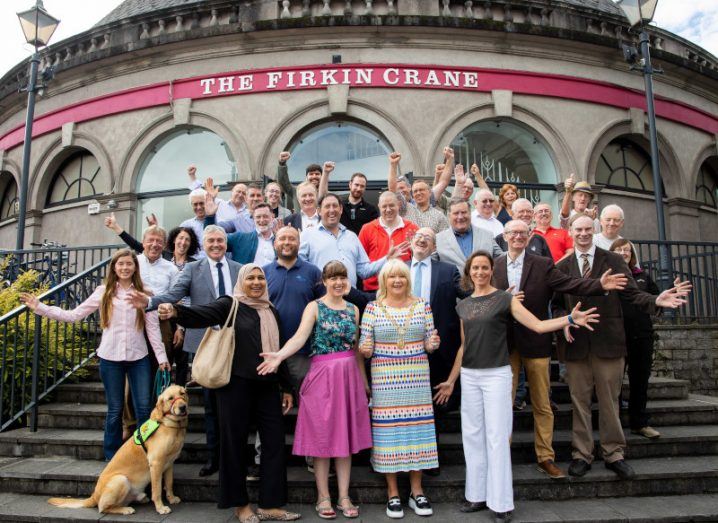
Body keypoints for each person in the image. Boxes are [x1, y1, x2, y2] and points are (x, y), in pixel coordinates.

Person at [433, 250, 600, 522]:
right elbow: (464, 346)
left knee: (497, 438)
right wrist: (452, 380)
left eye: (484, 267)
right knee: (472, 438)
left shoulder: (504, 298)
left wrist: (569, 319)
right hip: (471, 376)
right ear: (468, 272)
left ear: (491, 271)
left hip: (497, 374)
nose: (480, 272)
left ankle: (501, 502)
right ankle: (476, 495)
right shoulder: (462, 306)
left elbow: (537, 325)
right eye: (475, 268)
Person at [553, 214, 691, 480]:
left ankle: (614, 453)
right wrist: (564, 321)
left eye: (587, 229)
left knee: (609, 401)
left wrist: (656, 300)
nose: (582, 233)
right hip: (576, 345)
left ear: (593, 231)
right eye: (577, 229)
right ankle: (582, 454)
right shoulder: (562, 265)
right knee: (579, 402)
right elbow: (557, 302)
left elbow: (632, 294)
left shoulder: (614, 260)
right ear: (570, 232)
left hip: (609, 343)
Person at [159, 264, 298, 523]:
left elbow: (278, 352)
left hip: (267, 386)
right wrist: (175, 311)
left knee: (274, 443)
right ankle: (240, 504)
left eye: (260, 278)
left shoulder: (271, 310)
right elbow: (201, 314)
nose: (256, 282)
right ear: (241, 281)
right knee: (234, 445)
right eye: (251, 278)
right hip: (235, 386)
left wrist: (287, 387)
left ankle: (271, 504)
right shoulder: (229, 305)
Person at [492, 220, 628, 479]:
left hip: (536, 340)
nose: (518, 236)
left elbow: (570, 284)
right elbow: (480, 297)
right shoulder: (494, 265)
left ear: (530, 235)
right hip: (504, 344)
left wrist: (599, 285)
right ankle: (500, 458)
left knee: (542, 404)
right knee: (503, 405)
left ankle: (545, 457)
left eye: (523, 232)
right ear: (504, 236)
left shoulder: (542, 264)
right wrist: (502, 300)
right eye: (512, 233)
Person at [21, 249, 170, 461]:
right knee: (115, 410)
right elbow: (74, 315)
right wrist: (41, 307)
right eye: (121, 264)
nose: (125, 268)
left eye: (129, 264)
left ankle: (143, 454)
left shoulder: (145, 292)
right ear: (114, 268)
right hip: (110, 358)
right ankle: (112, 458)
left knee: (144, 409)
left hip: (139, 359)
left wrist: (162, 359)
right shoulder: (104, 292)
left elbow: (153, 330)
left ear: (135, 267)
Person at [257, 261, 371, 520]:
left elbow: (356, 350)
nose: (338, 282)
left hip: (349, 378)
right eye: (333, 278)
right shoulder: (314, 307)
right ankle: (323, 496)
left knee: (346, 439)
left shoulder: (354, 309)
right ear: (324, 282)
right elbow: (299, 337)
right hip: (322, 377)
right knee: (323, 439)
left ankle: (343, 495)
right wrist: (278, 356)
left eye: (342, 277)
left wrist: (363, 382)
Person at [127, 225, 242, 477]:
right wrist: (150, 302)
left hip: (234, 345)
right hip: (205, 345)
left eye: (220, 241)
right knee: (211, 407)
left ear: (226, 244)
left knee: (235, 407)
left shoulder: (239, 269)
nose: (215, 244)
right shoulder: (192, 268)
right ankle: (214, 459)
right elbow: (174, 293)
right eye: (210, 240)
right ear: (205, 243)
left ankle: (236, 460)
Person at [358, 259, 441, 519]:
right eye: (392, 277)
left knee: (419, 431)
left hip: (416, 379)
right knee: (388, 435)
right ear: (384, 280)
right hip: (385, 380)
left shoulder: (422, 306)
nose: (397, 281)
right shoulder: (372, 307)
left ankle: (417, 491)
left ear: (408, 279)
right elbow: (364, 344)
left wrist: (433, 343)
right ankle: (392, 493)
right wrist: (365, 349)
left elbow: (429, 342)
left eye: (402, 277)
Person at [408, 227, 466, 476]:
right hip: (403, 351)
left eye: (428, 239)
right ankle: (406, 456)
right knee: (407, 406)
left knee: (434, 406)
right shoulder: (396, 269)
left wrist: (495, 298)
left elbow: (470, 294)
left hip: (438, 350)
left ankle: (431, 458)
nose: (422, 240)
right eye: (418, 237)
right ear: (411, 242)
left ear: (434, 248)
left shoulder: (448, 270)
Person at [299, 193, 408, 288]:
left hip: (350, 300)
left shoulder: (351, 237)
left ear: (341, 209)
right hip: (322, 298)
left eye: (335, 206)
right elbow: (300, 269)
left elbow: (364, 271)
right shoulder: (307, 236)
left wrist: (387, 258)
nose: (332, 210)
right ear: (319, 211)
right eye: (327, 206)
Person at [611, 238, 661, 439]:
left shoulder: (643, 277)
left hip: (641, 335)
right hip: (615, 337)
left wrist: (667, 297)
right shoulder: (606, 277)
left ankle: (639, 423)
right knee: (612, 383)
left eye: (627, 250)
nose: (623, 253)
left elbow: (656, 300)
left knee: (640, 380)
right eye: (619, 250)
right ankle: (612, 424)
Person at [358, 191, 418, 292]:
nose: (388, 210)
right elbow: (361, 265)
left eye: (391, 205)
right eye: (384, 206)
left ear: (398, 205)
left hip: (403, 290)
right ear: (379, 207)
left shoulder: (412, 229)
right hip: (374, 290)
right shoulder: (367, 229)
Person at [436, 199, 503, 271]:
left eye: (464, 212)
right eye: (456, 213)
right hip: (452, 282)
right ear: (449, 216)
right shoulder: (438, 239)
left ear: (470, 213)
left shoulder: (487, 235)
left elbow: (502, 259)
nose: (460, 217)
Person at [206, 201, 276, 266]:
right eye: (258, 217)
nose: (262, 220)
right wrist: (210, 217)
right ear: (253, 219)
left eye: (265, 216)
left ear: (272, 217)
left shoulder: (280, 241)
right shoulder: (240, 238)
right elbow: (213, 238)